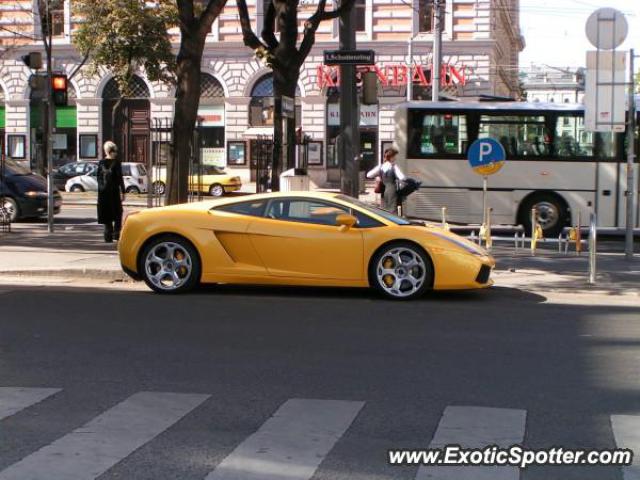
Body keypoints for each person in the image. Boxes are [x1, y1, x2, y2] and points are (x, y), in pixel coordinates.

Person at [97, 141, 125, 243]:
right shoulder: (116, 163)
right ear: (109, 151)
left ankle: (108, 236)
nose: (116, 153)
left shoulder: (101, 163)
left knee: (107, 214)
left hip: (104, 193)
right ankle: (116, 235)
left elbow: (98, 178)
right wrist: (123, 191)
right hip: (113, 192)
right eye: (114, 151)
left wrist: (101, 188)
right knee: (117, 213)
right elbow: (120, 178)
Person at [366, 147, 406, 213]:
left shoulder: (381, 166)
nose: (395, 158)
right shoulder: (394, 166)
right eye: (395, 156)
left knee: (384, 210)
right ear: (391, 157)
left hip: (383, 190)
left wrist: (378, 176)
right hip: (392, 190)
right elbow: (402, 178)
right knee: (393, 210)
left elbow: (368, 175)